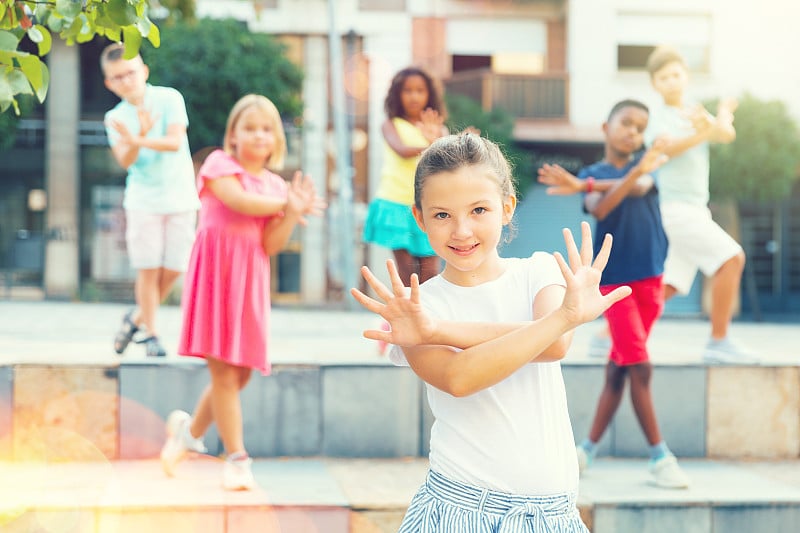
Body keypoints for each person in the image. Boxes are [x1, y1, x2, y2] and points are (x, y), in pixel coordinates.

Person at [351, 132, 631, 532]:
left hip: (553, 515)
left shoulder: (539, 271)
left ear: (506, 207)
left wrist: (440, 331)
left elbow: (553, 345)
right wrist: (562, 318)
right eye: (442, 215)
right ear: (420, 218)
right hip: (459, 509)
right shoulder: (418, 307)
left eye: (478, 210)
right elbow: (459, 377)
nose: (462, 231)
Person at [159, 94, 325, 490]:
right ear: (232, 135)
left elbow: (270, 243)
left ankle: (187, 433)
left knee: (240, 375)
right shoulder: (220, 165)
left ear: (276, 140)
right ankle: (237, 459)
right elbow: (238, 201)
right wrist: (286, 202)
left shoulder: (274, 185)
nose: (257, 135)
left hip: (249, 280)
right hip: (215, 275)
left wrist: (293, 214)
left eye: (266, 129)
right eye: (248, 127)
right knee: (223, 373)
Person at [539, 100, 691, 489]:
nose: (633, 133)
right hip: (615, 284)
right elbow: (602, 205)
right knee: (640, 364)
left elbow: (640, 185)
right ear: (606, 126)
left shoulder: (647, 167)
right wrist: (587, 185)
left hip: (652, 279)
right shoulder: (596, 172)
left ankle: (585, 450)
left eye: (641, 128)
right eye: (626, 124)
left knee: (620, 366)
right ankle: (660, 457)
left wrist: (590, 182)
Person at [643, 45, 752, 364]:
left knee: (671, 285)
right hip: (677, 210)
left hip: (694, 209)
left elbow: (725, 134)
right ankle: (719, 342)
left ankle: (610, 335)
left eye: (676, 75)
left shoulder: (693, 110)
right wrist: (703, 132)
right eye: (664, 78)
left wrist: (722, 113)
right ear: (655, 84)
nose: (672, 81)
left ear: (686, 77)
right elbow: (667, 150)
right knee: (732, 260)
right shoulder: (657, 118)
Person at [101, 43, 201, 358]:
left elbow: (174, 142)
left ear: (143, 71)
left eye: (131, 72)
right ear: (109, 83)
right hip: (143, 201)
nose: (127, 80)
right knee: (148, 269)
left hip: (181, 197)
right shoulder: (114, 117)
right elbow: (125, 159)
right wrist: (134, 140)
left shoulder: (170, 98)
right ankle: (152, 334)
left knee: (173, 268)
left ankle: (134, 318)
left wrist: (139, 137)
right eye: (118, 77)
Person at [363, 66, 449, 286]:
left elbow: (448, 160)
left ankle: (427, 318)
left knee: (430, 272)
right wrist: (431, 144)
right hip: (396, 203)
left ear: (429, 94)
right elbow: (401, 149)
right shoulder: (391, 125)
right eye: (407, 90)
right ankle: (407, 317)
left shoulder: (438, 129)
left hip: (429, 206)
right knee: (407, 271)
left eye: (420, 90)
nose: (414, 96)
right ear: (397, 95)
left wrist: (442, 141)